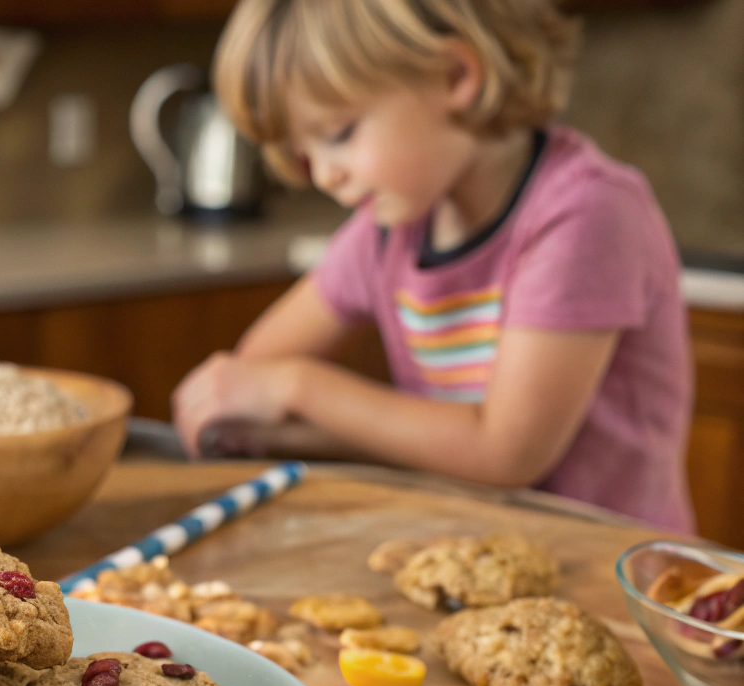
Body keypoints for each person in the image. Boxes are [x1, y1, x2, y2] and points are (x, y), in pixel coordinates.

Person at [171, 0, 694, 532]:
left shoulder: (583, 213)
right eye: (303, 152)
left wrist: (296, 388)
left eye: (337, 134)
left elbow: (505, 453)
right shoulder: (390, 227)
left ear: (455, 76)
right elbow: (253, 373)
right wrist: (265, 407)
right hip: (473, 556)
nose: (324, 176)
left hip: (613, 577)